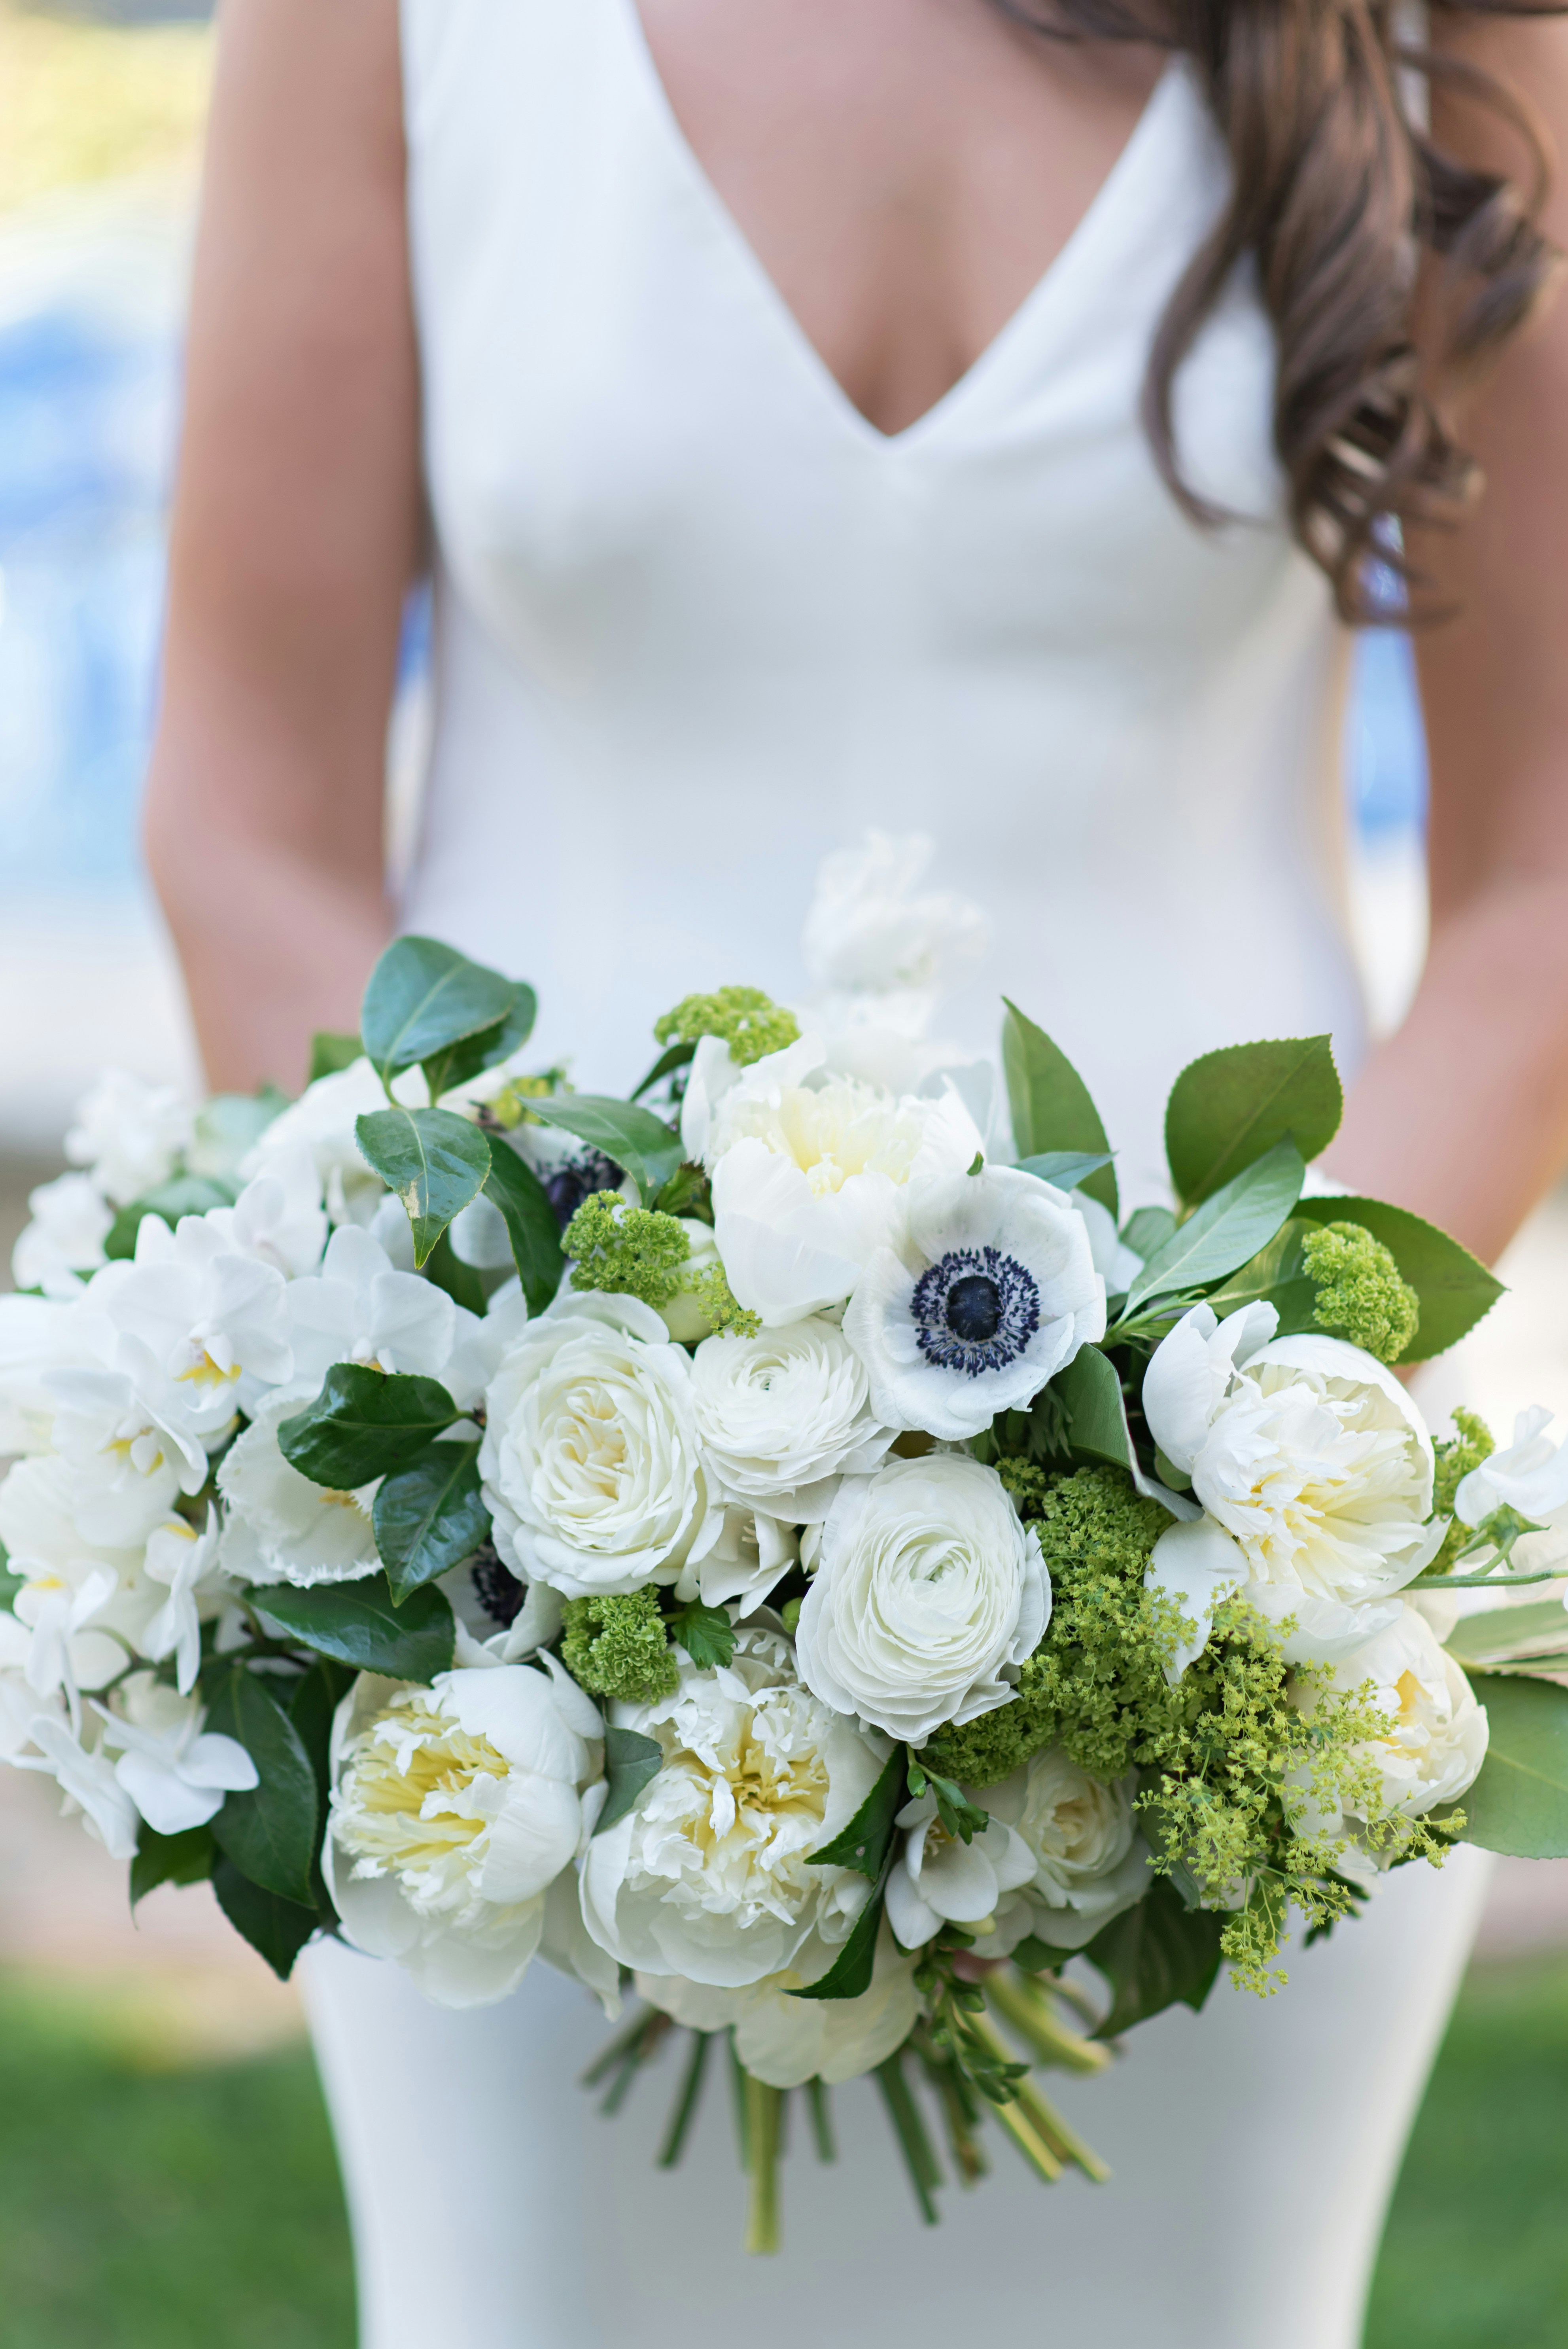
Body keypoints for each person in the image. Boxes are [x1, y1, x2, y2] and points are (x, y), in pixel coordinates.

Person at [143, 2, 1568, 2343]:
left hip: (1233, 1645)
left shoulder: (1439, 30)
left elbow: (1541, 883)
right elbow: (245, 824)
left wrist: (1235, 1500)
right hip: (527, 1648)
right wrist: (538, 1472)